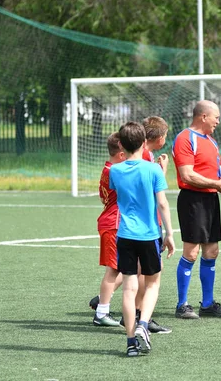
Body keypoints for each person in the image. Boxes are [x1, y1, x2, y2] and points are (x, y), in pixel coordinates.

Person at [172, 100, 221, 319]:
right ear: (203, 117)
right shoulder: (184, 138)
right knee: (191, 252)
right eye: (216, 116)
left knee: (212, 251)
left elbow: (220, 170)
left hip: (209, 200)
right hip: (192, 200)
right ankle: (182, 305)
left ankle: (207, 304)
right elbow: (187, 175)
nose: (218, 120)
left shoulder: (211, 141)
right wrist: (218, 185)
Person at [90, 116, 172, 334]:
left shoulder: (114, 170)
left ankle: (129, 323)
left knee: (129, 274)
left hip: (124, 227)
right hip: (129, 226)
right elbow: (156, 196)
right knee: (129, 273)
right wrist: (161, 171)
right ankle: (124, 315)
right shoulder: (136, 164)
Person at [109, 121, 175, 356]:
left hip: (125, 235)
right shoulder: (153, 169)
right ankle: (143, 325)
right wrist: (170, 233)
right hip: (149, 236)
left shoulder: (114, 170)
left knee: (129, 289)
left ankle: (130, 342)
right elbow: (163, 203)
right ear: (145, 142)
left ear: (121, 145)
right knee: (153, 283)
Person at [91, 132, 125, 327]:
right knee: (113, 270)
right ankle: (101, 312)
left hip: (114, 223)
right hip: (113, 224)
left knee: (124, 267)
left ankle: (102, 299)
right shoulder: (115, 172)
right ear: (121, 154)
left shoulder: (108, 168)